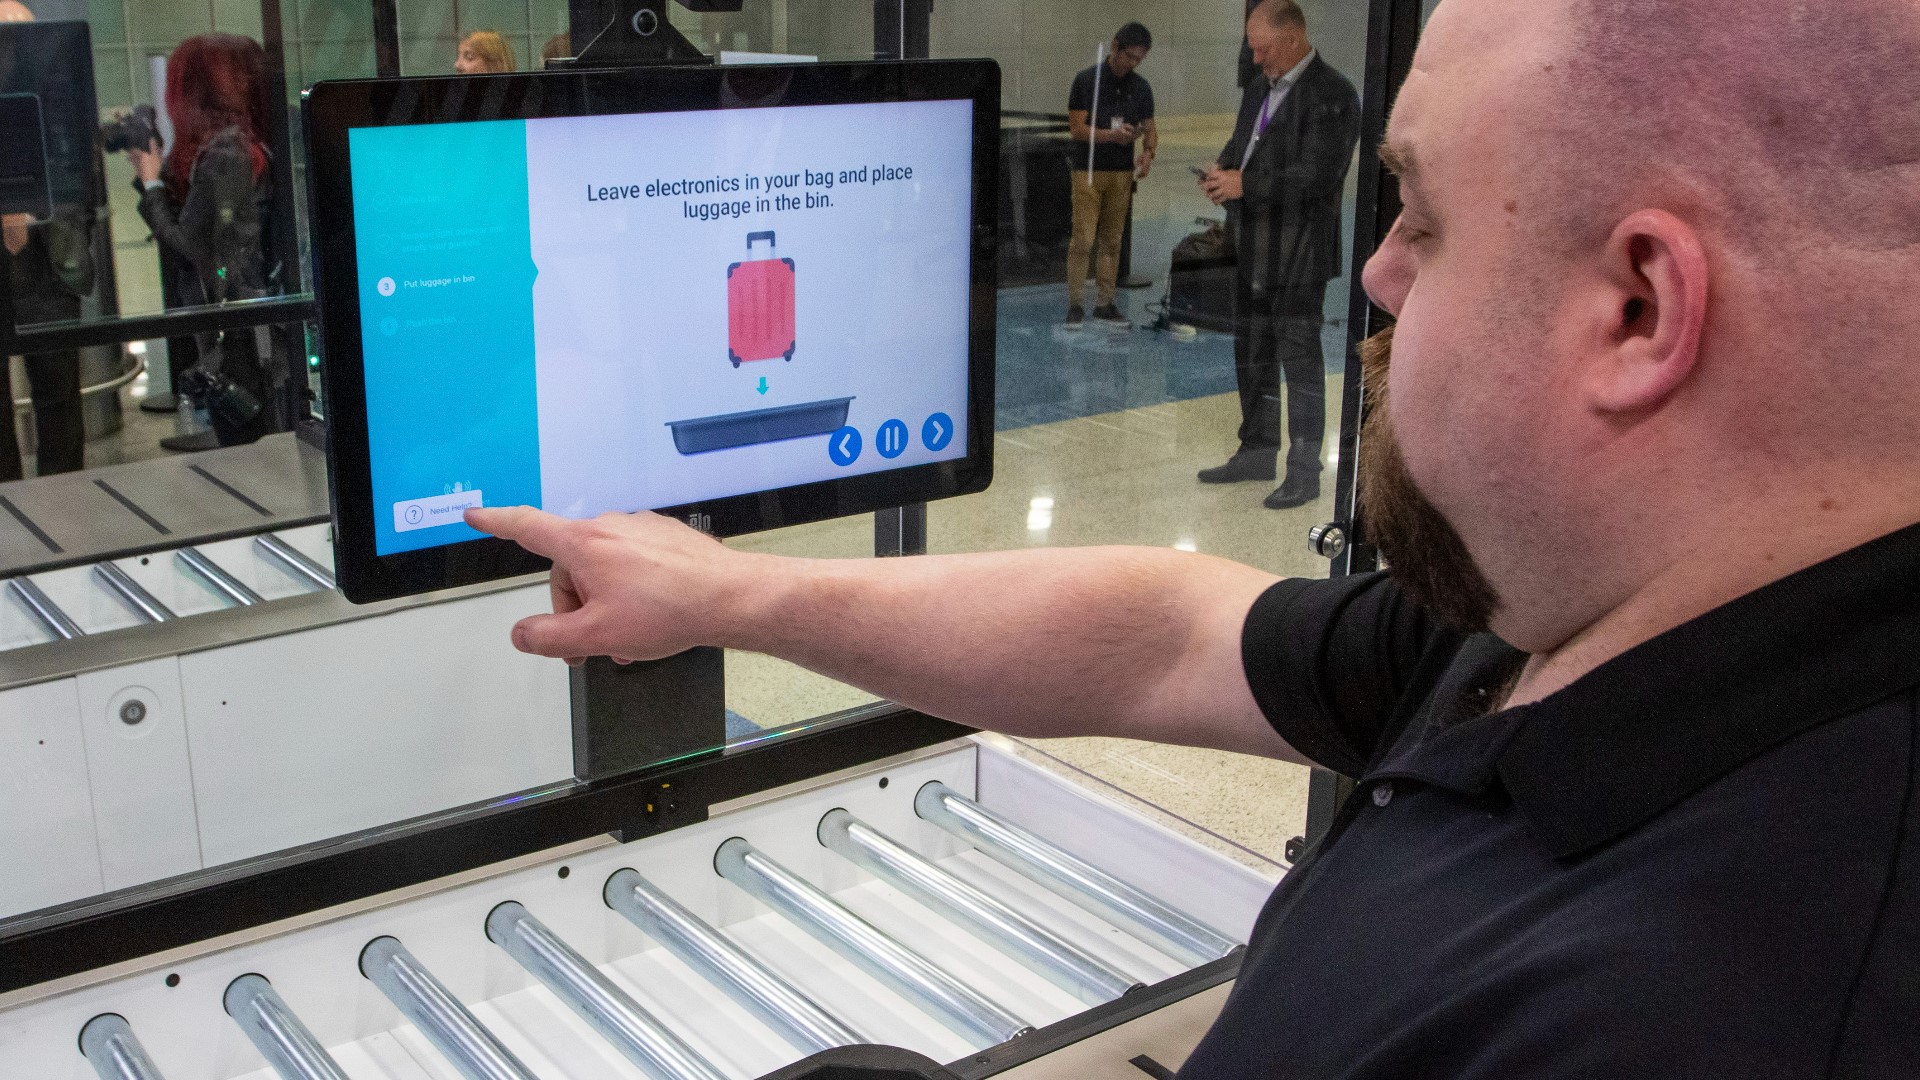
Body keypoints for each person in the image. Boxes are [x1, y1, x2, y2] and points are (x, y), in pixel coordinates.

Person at [468, 0, 1920, 1073]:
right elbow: (1171, 632)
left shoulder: (1717, 1008)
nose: (1378, 271)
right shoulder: (1581, 617)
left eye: (1420, 214)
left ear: (1638, 312)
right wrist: (723, 590)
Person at [1197, 1, 1359, 510]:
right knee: (1252, 353)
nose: (1256, 56)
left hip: (1298, 255)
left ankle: (1305, 471)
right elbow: (1242, 142)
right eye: (1251, 46)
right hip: (1251, 247)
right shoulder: (1259, 89)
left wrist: (1246, 184)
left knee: (1300, 362)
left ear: (1292, 40)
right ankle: (1256, 450)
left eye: (1262, 47)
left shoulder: (1333, 96)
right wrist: (1223, 169)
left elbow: (1318, 177)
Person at [125, 32, 277, 449]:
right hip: (254, 316)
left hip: (238, 327)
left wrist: (151, 181)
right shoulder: (254, 142)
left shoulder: (226, 153)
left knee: (247, 447)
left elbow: (189, 247)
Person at [0, 0, 87, 479]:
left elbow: (76, 168)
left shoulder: (53, 98)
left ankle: (66, 500)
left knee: (58, 389)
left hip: (45, 251)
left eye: (23, 37)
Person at [1063, 23, 1156, 328]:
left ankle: (1105, 302)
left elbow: (1150, 128)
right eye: (1128, 56)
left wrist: (1147, 151)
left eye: (1138, 60)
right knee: (1083, 240)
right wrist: (1110, 136)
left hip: (1121, 174)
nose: (1131, 64)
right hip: (1088, 171)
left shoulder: (1141, 88)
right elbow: (1077, 129)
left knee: (1112, 241)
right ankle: (1075, 303)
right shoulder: (1086, 81)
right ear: (1115, 46)